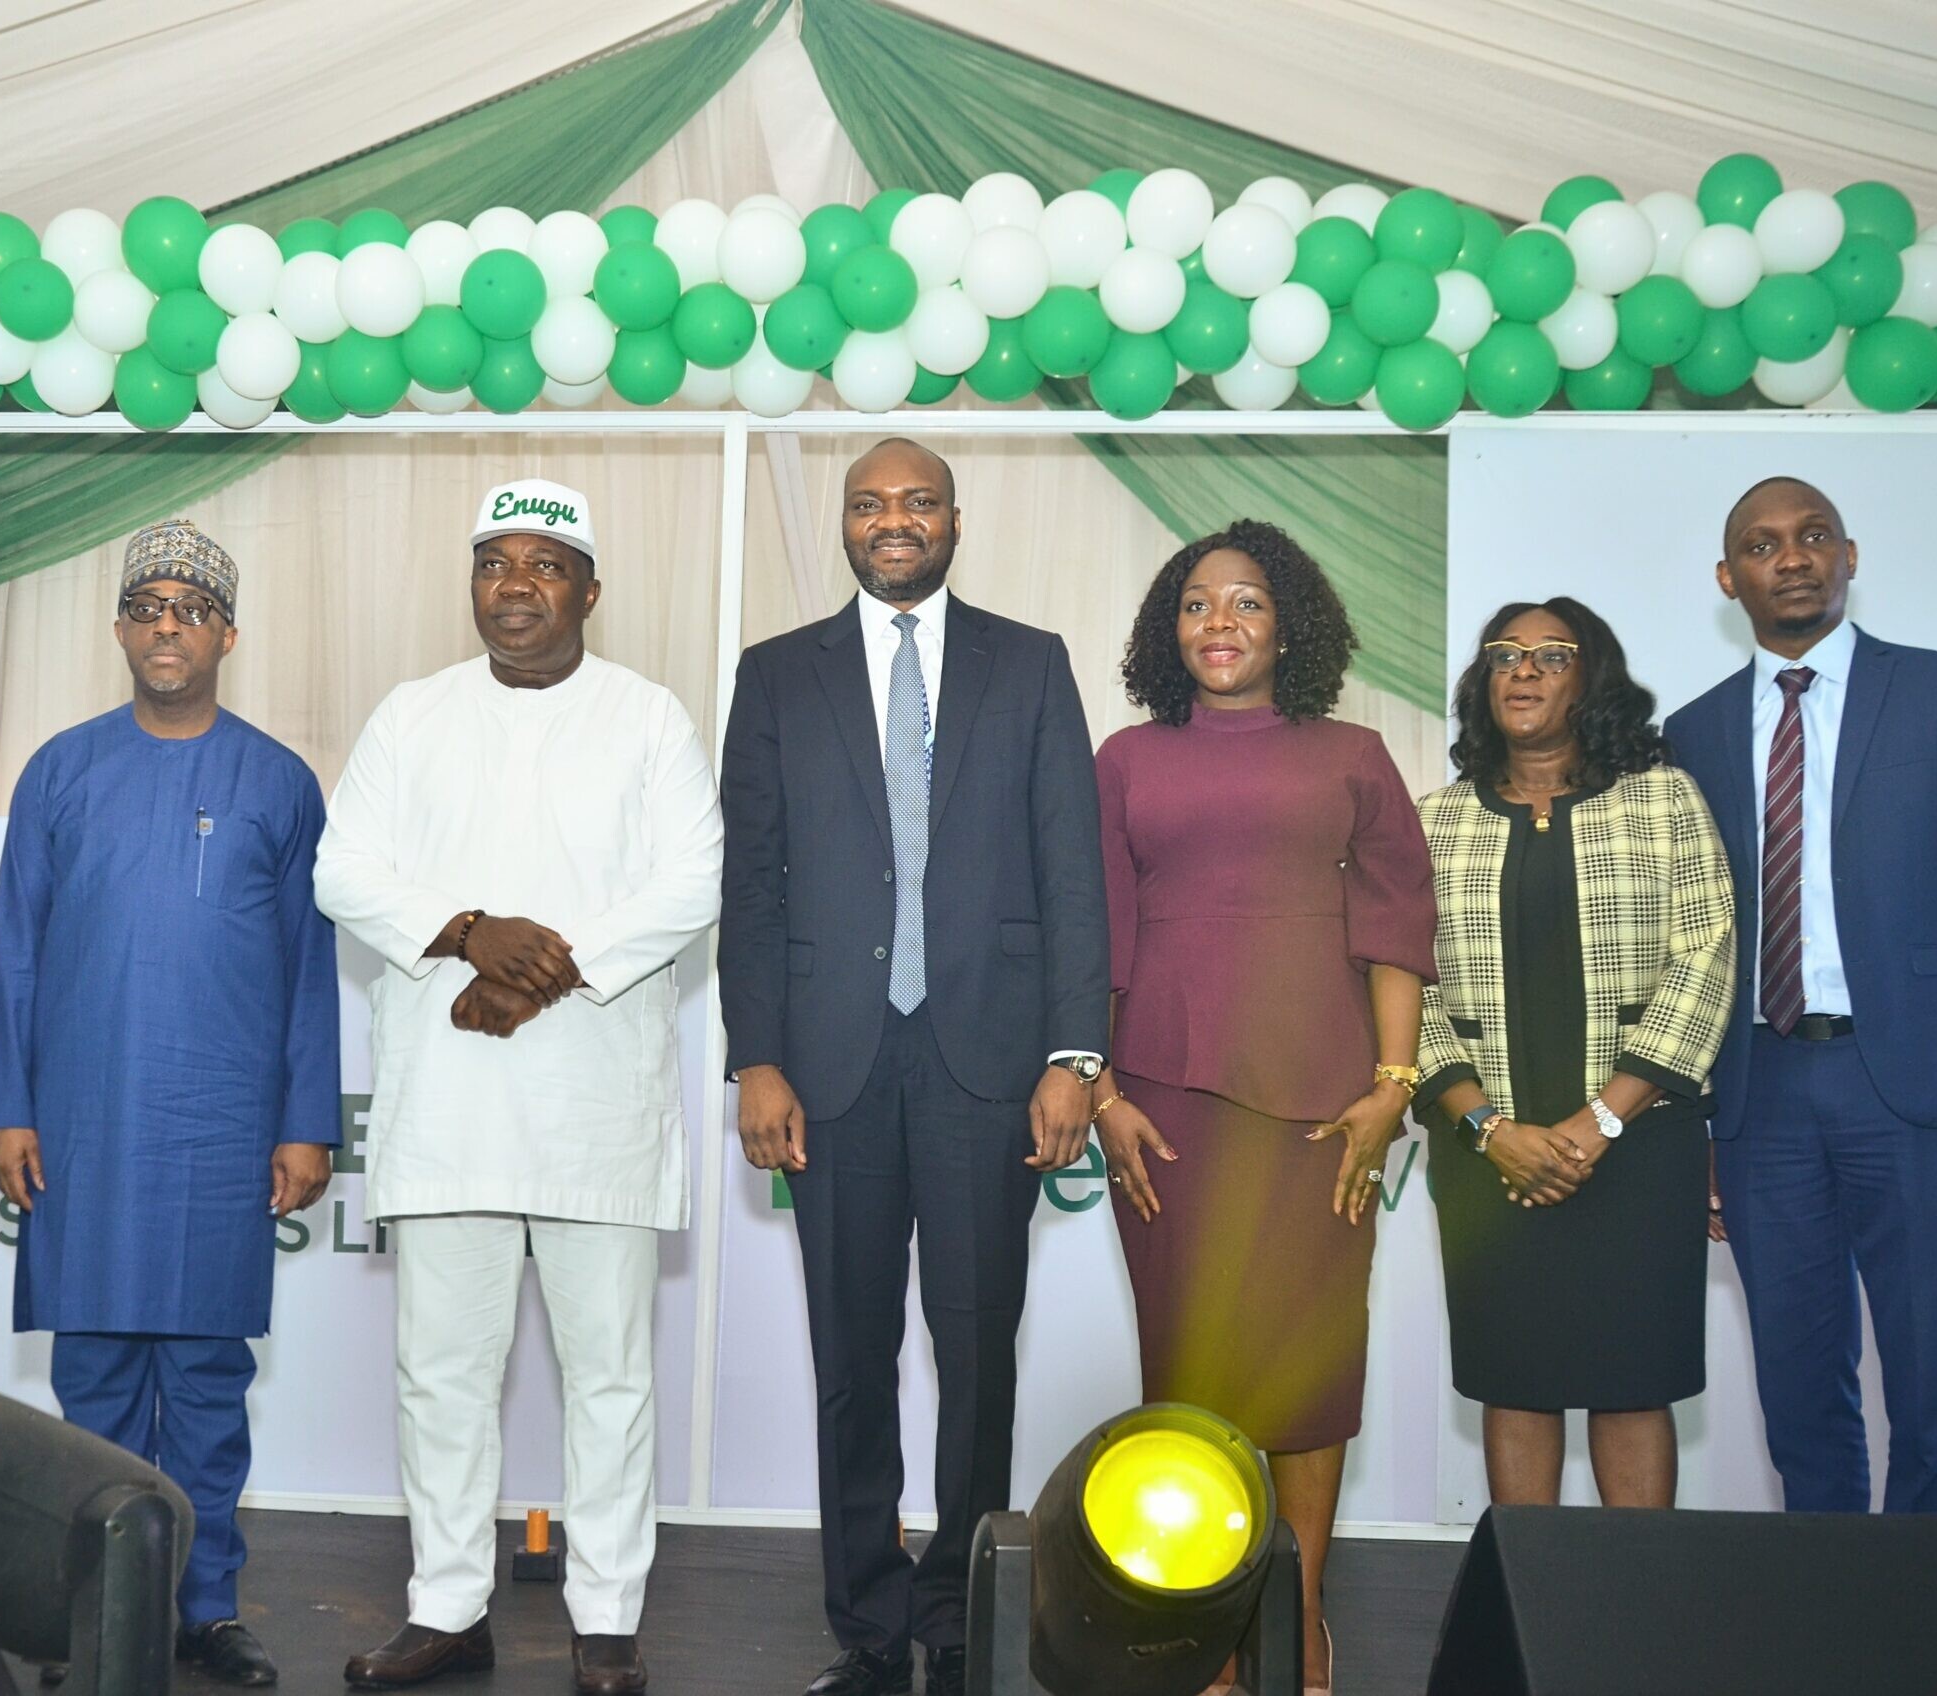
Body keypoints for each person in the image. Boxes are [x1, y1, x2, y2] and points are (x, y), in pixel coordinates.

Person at [318, 479, 721, 1696]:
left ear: (589, 591)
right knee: (442, 1371)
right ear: (473, 585)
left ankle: (606, 1617)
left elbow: (690, 883)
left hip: (595, 1096)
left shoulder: (649, 718)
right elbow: (347, 871)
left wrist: (544, 974)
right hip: (449, 1095)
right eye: (496, 561)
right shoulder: (411, 713)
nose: (517, 584)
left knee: (610, 1374)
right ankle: (447, 1606)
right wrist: (467, 928)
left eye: (547, 564)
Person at [719, 439, 1108, 1696]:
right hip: (828, 1060)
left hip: (988, 1056)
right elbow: (754, 885)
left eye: (917, 502)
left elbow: (1070, 875)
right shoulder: (777, 674)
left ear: (954, 519)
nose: (894, 521)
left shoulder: (1031, 661)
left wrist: (1072, 1054)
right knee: (851, 1351)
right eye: (870, 503)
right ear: (844, 524)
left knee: (977, 1343)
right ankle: (869, 1620)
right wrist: (755, 1058)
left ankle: (959, 1605)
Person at [0, 518, 340, 1687]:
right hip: (82, 1120)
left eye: (190, 607)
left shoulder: (279, 781)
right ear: (121, 629)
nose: (166, 624)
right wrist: (9, 1107)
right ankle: (93, 1606)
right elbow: (13, 951)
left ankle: (205, 1605)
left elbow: (306, 970)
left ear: (228, 632)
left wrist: (304, 1120)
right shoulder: (60, 769)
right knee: (92, 1385)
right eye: (147, 606)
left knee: (206, 1384)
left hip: (220, 1125)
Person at [1089, 519, 1434, 1695]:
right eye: (1194, 603)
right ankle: (1210, 1621)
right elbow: (1098, 938)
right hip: (1165, 1104)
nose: (1218, 623)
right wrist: (1101, 1091)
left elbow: (1397, 930)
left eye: (1243, 602)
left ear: (1288, 620)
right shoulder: (1125, 759)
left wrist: (1392, 1090)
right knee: (1194, 1366)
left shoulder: (1353, 751)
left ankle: (1299, 1610)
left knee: (1306, 1365)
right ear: (1164, 629)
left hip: (1325, 1108)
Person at [1667, 477, 1937, 1514]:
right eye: (1763, 545)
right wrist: (1704, 1127)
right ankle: (1830, 1619)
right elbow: (1694, 940)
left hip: (1913, 1090)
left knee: (1930, 1388)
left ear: (1849, 555)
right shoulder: (1694, 732)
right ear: (1730, 580)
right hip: (1759, 1096)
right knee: (1799, 1391)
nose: (1793, 557)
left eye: (1813, 536)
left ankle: (1931, 1624)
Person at [1415, 598, 1735, 1510]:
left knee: (1633, 1382)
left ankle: (1637, 1617)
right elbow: (1405, 985)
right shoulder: (1431, 821)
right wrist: (1485, 1127)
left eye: (1551, 655)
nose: (1523, 669)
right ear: (1482, 681)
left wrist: (1599, 1122)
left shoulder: (1663, 798)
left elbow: (1705, 953)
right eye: (1505, 654)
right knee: (1515, 1379)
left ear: (1589, 679)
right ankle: (1528, 1611)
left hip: (1638, 1144)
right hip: (1488, 1153)